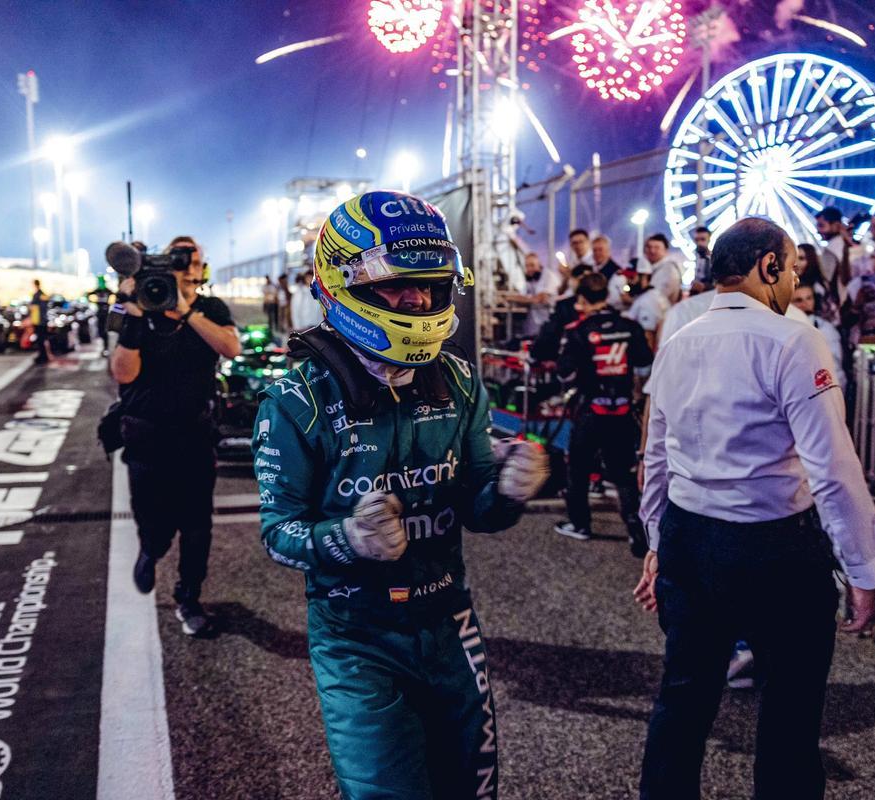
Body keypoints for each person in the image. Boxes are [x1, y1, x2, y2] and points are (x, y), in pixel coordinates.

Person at [254, 191, 548, 800]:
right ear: (340, 285)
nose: (415, 300)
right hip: (355, 638)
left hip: (449, 622)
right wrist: (346, 539)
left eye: (430, 285)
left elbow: (476, 508)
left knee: (472, 790)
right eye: (393, 286)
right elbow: (277, 534)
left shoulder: (461, 379)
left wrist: (510, 492)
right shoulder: (296, 399)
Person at [634, 217, 875, 800]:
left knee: (684, 696)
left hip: (690, 539)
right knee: (790, 711)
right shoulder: (793, 339)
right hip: (773, 546)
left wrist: (656, 542)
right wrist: (864, 570)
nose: (795, 277)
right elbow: (834, 470)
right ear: (768, 266)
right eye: (792, 265)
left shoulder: (678, 342)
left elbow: (656, 456)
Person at [111, 235, 240, 633]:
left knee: (198, 524)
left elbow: (231, 348)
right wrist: (131, 311)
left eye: (193, 258)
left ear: (202, 267)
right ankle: (151, 548)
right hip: (145, 435)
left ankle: (190, 599)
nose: (187, 265)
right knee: (154, 520)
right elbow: (123, 373)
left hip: (194, 434)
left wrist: (185, 312)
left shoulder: (211, 308)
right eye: (179, 258)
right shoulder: (138, 307)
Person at [552, 273, 652, 552]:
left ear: (582, 299)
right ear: (607, 296)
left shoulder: (577, 329)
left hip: (590, 410)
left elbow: (565, 372)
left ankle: (580, 524)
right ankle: (636, 531)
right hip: (622, 410)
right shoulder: (629, 326)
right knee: (623, 472)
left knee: (579, 468)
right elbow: (646, 365)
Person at [791, 283, 845, 389]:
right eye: (798, 300)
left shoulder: (827, 329)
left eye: (809, 298)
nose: (805, 304)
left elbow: (836, 367)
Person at [639, 234, 683, 304]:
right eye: (649, 247)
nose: (652, 251)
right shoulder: (658, 269)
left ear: (666, 250)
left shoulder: (668, 270)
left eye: (657, 247)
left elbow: (653, 300)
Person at [90, 274, 114, 356]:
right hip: (100, 312)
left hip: (106, 313)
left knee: (105, 330)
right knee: (100, 330)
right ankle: (105, 347)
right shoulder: (97, 290)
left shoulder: (107, 290)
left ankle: (106, 347)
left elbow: (115, 295)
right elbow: (88, 294)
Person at [29, 279, 51, 364]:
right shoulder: (43, 295)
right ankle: (44, 356)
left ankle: (42, 356)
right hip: (43, 321)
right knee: (42, 339)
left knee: (40, 340)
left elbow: (34, 308)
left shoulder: (37, 295)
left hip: (39, 321)